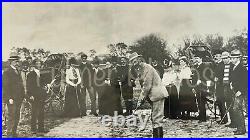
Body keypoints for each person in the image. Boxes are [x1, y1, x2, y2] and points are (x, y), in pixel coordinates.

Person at [129, 52, 168, 138]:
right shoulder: (140, 69)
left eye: (134, 61)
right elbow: (143, 85)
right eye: (132, 62)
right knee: (154, 118)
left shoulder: (147, 68)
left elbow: (147, 85)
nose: (133, 63)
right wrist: (141, 99)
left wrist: (140, 100)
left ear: (139, 59)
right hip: (153, 96)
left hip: (158, 94)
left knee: (157, 118)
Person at [2, 52, 25, 137]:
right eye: (15, 61)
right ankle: (9, 133)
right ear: (11, 62)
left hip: (19, 98)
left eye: (17, 61)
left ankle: (14, 133)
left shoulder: (17, 71)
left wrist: (23, 95)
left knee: (17, 115)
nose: (17, 62)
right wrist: (9, 98)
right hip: (12, 99)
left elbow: (20, 84)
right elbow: (5, 86)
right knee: (11, 116)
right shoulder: (7, 72)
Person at [26, 59, 47, 134]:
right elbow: (29, 86)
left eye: (40, 63)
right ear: (34, 64)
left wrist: (46, 86)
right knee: (34, 112)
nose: (39, 64)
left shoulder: (41, 74)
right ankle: (33, 129)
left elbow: (43, 83)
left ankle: (41, 129)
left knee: (41, 112)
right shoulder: (30, 74)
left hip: (41, 95)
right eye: (37, 63)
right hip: (34, 96)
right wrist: (30, 95)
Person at [230, 49, 247, 135]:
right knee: (236, 109)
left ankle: (241, 129)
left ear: (238, 58)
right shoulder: (235, 67)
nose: (231, 60)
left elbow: (245, 81)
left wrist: (240, 91)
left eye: (233, 58)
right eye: (231, 58)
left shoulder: (242, 68)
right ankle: (239, 128)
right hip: (235, 91)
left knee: (237, 109)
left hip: (239, 92)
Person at [192, 55, 213, 122]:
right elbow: (194, 78)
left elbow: (208, 76)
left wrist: (204, 83)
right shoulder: (195, 67)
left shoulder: (204, 66)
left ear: (201, 58)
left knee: (202, 102)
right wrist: (193, 87)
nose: (196, 59)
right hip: (196, 86)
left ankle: (203, 118)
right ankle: (200, 116)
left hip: (203, 86)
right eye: (195, 58)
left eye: (197, 58)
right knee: (198, 101)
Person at [213, 50, 228, 124]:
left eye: (218, 56)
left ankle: (225, 119)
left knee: (222, 103)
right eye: (215, 56)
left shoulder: (223, 65)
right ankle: (222, 118)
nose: (216, 57)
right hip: (218, 86)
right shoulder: (218, 64)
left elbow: (223, 75)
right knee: (219, 102)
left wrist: (218, 79)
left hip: (222, 86)